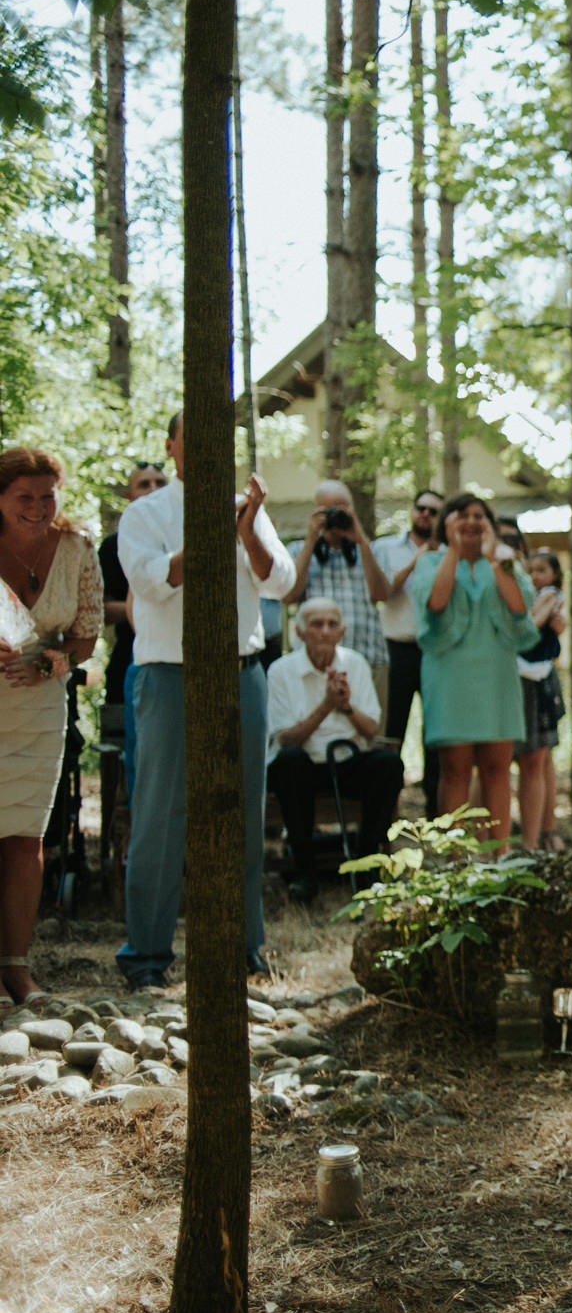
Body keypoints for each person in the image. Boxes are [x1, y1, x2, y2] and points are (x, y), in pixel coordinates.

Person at [118, 412, 295, 986]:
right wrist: (212, 530)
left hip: (243, 673)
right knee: (160, 816)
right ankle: (146, 956)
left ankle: (244, 947)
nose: (205, 450)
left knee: (243, 809)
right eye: (191, 440)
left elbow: (282, 582)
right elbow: (151, 583)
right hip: (170, 677)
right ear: (171, 447)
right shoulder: (145, 514)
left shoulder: (249, 515)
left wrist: (246, 530)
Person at [0, 449, 102, 1007]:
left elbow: (87, 635)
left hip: (40, 707)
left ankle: (16, 967)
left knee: (24, 838)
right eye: (24, 498)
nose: (38, 509)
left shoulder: (79, 548)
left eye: (47, 496)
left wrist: (44, 663)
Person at [408, 492, 537, 852]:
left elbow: (521, 604)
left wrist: (497, 558)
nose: (471, 521)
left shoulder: (504, 562)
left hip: (497, 674)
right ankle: (456, 861)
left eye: (479, 515)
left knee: (498, 769)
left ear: (490, 524)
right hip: (450, 677)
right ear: (446, 522)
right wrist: (453, 549)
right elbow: (435, 602)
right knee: (454, 771)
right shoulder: (430, 561)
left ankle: (500, 854)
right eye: (461, 514)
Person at [265, 596, 403, 902]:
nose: (325, 631)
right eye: (316, 625)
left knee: (388, 765)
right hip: (305, 765)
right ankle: (305, 872)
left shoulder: (356, 663)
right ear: (300, 633)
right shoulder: (280, 671)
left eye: (332, 625)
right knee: (289, 763)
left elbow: (371, 730)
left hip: (347, 761)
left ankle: (366, 864)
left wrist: (346, 707)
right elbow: (286, 738)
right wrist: (326, 707)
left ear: (342, 632)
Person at [371, 489, 445, 815]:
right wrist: (419, 558)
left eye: (433, 511)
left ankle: (436, 815)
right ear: (412, 511)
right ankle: (387, 813)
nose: (426, 515)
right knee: (392, 734)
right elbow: (383, 592)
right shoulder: (386, 547)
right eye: (422, 508)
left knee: (436, 737)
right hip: (395, 651)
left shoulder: (449, 553)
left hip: (435, 653)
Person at [284, 478, 391, 704]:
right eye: (330, 509)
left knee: (370, 733)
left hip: (369, 656)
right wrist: (311, 538)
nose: (338, 515)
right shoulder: (299, 550)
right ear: (317, 511)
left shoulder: (369, 550)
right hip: (316, 664)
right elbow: (290, 595)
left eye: (343, 508)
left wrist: (361, 540)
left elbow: (382, 595)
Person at [100, 462, 171, 788]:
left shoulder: (179, 536)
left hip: (176, 659)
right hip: (131, 658)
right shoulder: (113, 546)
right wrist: (144, 597)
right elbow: (97, 609)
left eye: (160, 481)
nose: (153, 489)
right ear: (130, 495)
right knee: (136, 756)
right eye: (144, 484)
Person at [515, 549, 567, 851]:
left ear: (555, 575)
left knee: (538, 756)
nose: (535, 576)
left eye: (542, 570)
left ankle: (538, 838)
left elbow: (532, 627)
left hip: (536, 675)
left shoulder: (549, 595)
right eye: (531, 570)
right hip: (524, 671)